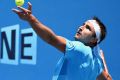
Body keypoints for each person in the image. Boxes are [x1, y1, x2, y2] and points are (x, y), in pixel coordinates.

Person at [12, 2, 112, 80]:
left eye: (88, 28)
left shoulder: (80, 49)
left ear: (94, 40)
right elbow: (107, 78)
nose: (81, 27)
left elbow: (51, 39)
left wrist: (31, 19)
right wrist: (103, 61)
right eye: (83, 24)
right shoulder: (97, 64)